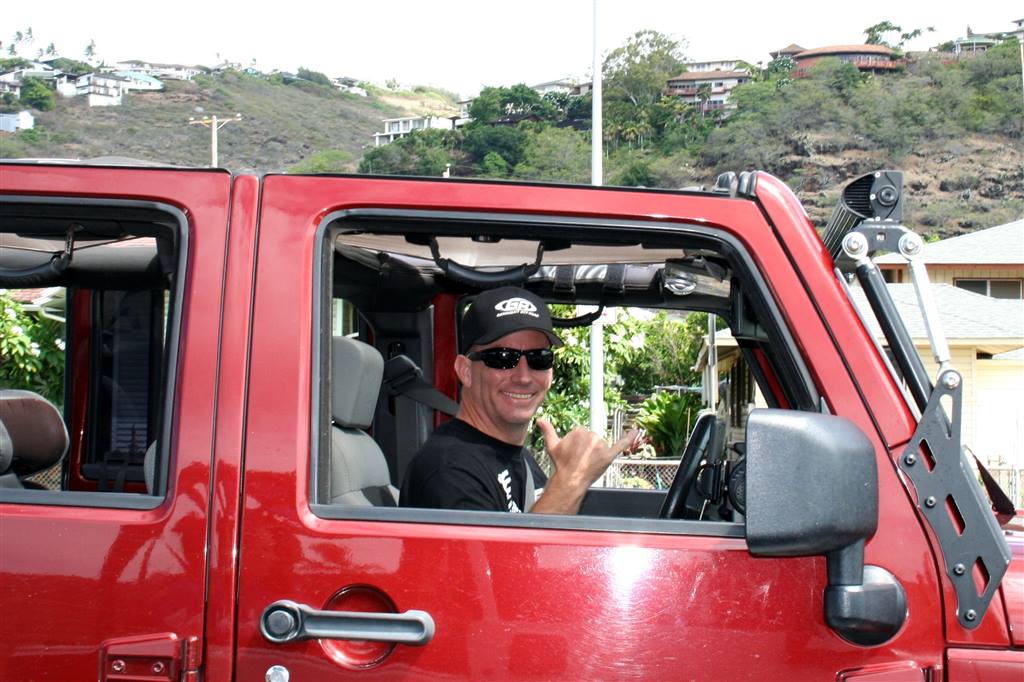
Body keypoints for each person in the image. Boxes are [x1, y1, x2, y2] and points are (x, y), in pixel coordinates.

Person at [400, 286, 636, 514]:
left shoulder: (518, 459)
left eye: (539, 358)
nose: (523, 377)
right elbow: (502, 546)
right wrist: (571, 479)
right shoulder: (448, 470)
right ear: (465, 371)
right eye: (503, 358)